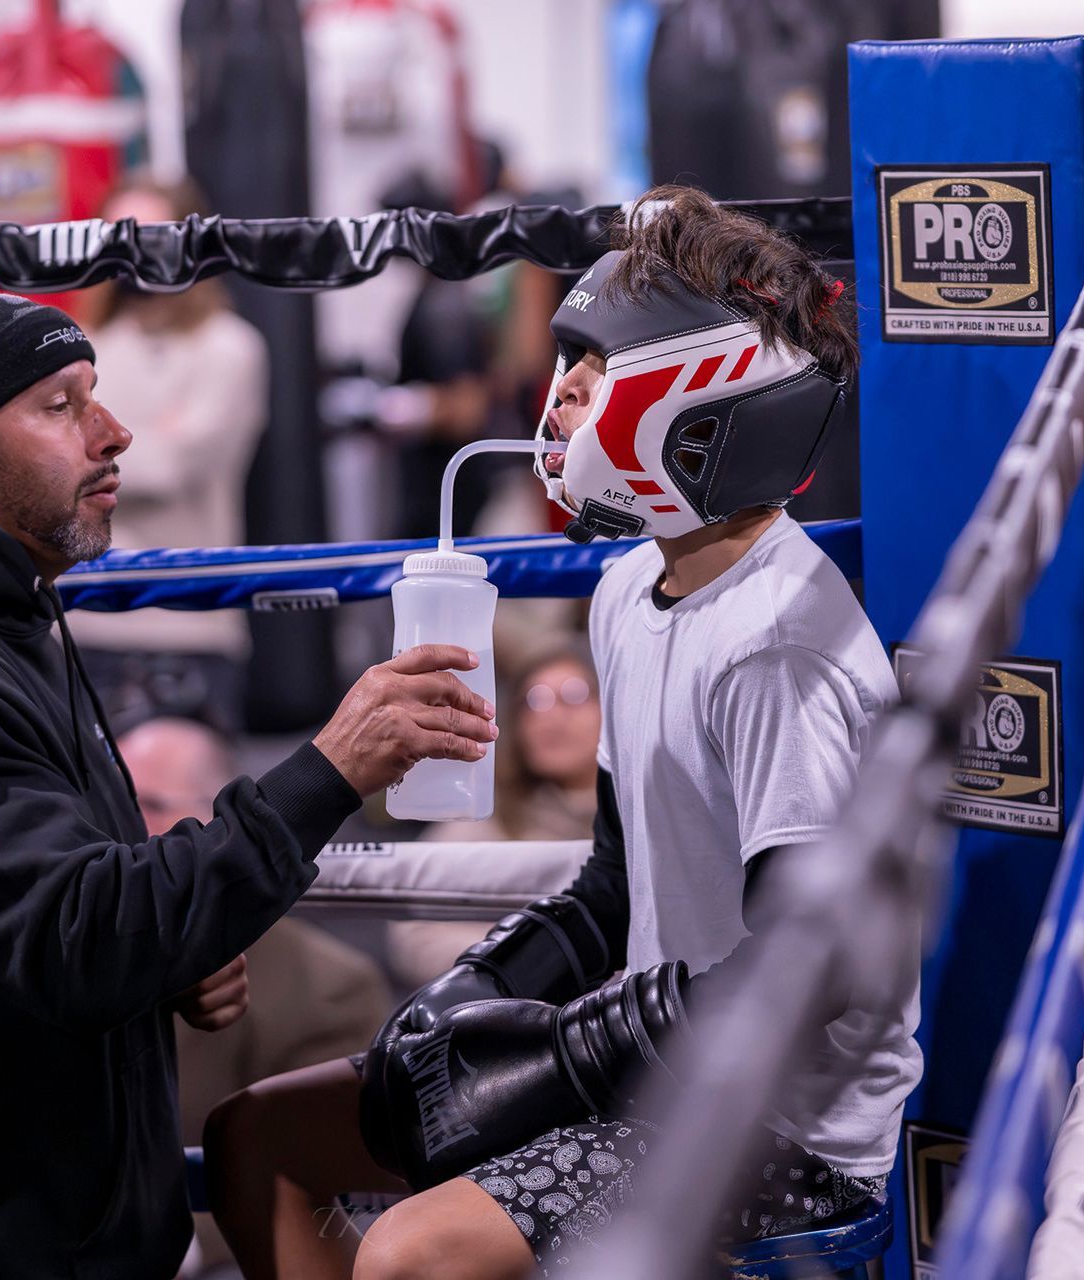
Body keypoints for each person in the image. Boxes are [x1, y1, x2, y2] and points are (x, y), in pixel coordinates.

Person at [205, 185, 919, 1279]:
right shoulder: (633, 587)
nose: (562, 401)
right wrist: (486, 992)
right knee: (260, 1140)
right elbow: (613, 885)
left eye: (594, 376)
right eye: (569, 367)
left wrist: (568, 1057)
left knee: (410, 1253)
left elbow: (803, 976)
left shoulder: (783, 648)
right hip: (663, 1062)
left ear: (698, 405)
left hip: (785, 1133)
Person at [0, 272, 498, 1280]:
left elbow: (13, 906)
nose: (114, 431)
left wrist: (160, 953)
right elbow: (71, 936)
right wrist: (327, 772)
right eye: (61, 405)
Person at [117, 716, 393, 1277]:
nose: (123, 822)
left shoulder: (327, 989)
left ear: (214, 819)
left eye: (147, 802)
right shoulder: (69, 945)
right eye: (114, 799)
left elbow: (324, 1207)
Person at [66, 179, 270, 729]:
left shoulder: (231, 347)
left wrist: (73, 449)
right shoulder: (80, 345)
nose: (138, 253)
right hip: (85, 616)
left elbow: (169, 469)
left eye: (153, 235)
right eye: (123, 236)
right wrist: (147, 436)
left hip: (190, 623)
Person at [389, 642, 603, 988]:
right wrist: (522, 968)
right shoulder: (483, 820)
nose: (551, 716)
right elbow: (413, 934)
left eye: (574, 695)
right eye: (534, 700)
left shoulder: (642, 821)